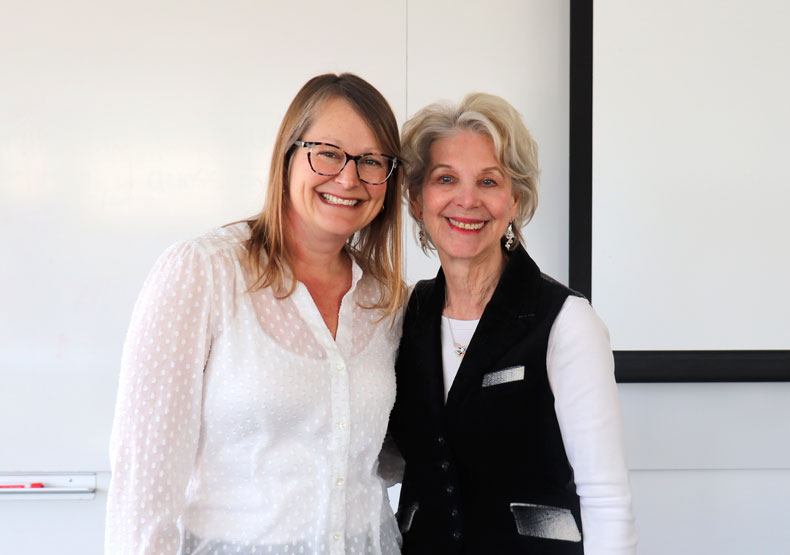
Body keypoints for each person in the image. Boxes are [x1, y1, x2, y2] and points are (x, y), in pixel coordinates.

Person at [106, 73, 406, 555]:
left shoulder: (387, 300)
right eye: (327, 152)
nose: (349, 178)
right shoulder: (202, 272)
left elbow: (385, 457)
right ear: (287, 155)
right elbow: (146, 475)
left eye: (372, 161)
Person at [388, 93, 637, 554]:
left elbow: (606, 498)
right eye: (446, 179)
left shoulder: (566, 322)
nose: (467, 200)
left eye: (488, 181)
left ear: (514, 200)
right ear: (417, 199)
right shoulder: (406, 315)